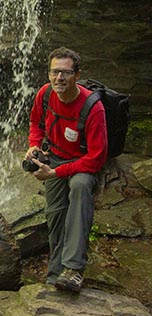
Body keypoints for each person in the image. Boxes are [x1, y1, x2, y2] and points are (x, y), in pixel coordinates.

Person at [24, 46, 107, 293]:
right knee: (56, 213)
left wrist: (56, 173)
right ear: (49, 74)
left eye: (66, 73)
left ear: (77, 75)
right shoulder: (45, 94)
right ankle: (55, 274)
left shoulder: (94, 108)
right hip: (56, 157)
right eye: (55, 72)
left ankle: (74, 270)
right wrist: (34, 145)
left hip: (82, 163)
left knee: (80, 188)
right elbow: (35, 123)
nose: (59, 78)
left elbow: (96, 158)